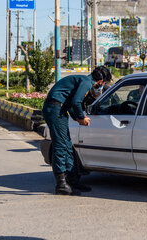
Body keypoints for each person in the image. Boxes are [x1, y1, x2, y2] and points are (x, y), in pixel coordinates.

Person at [42, 66, 109, 195]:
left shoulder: (83, 80)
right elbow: (76, 102)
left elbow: (72, 103)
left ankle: (72, 181)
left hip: (59, 109)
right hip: (55, 109)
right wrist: (81, 117)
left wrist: (78, 118)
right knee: (60, 145)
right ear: (101, 81)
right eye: (104, 84)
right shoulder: (86, 82)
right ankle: (61, 184)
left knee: (67, 146)